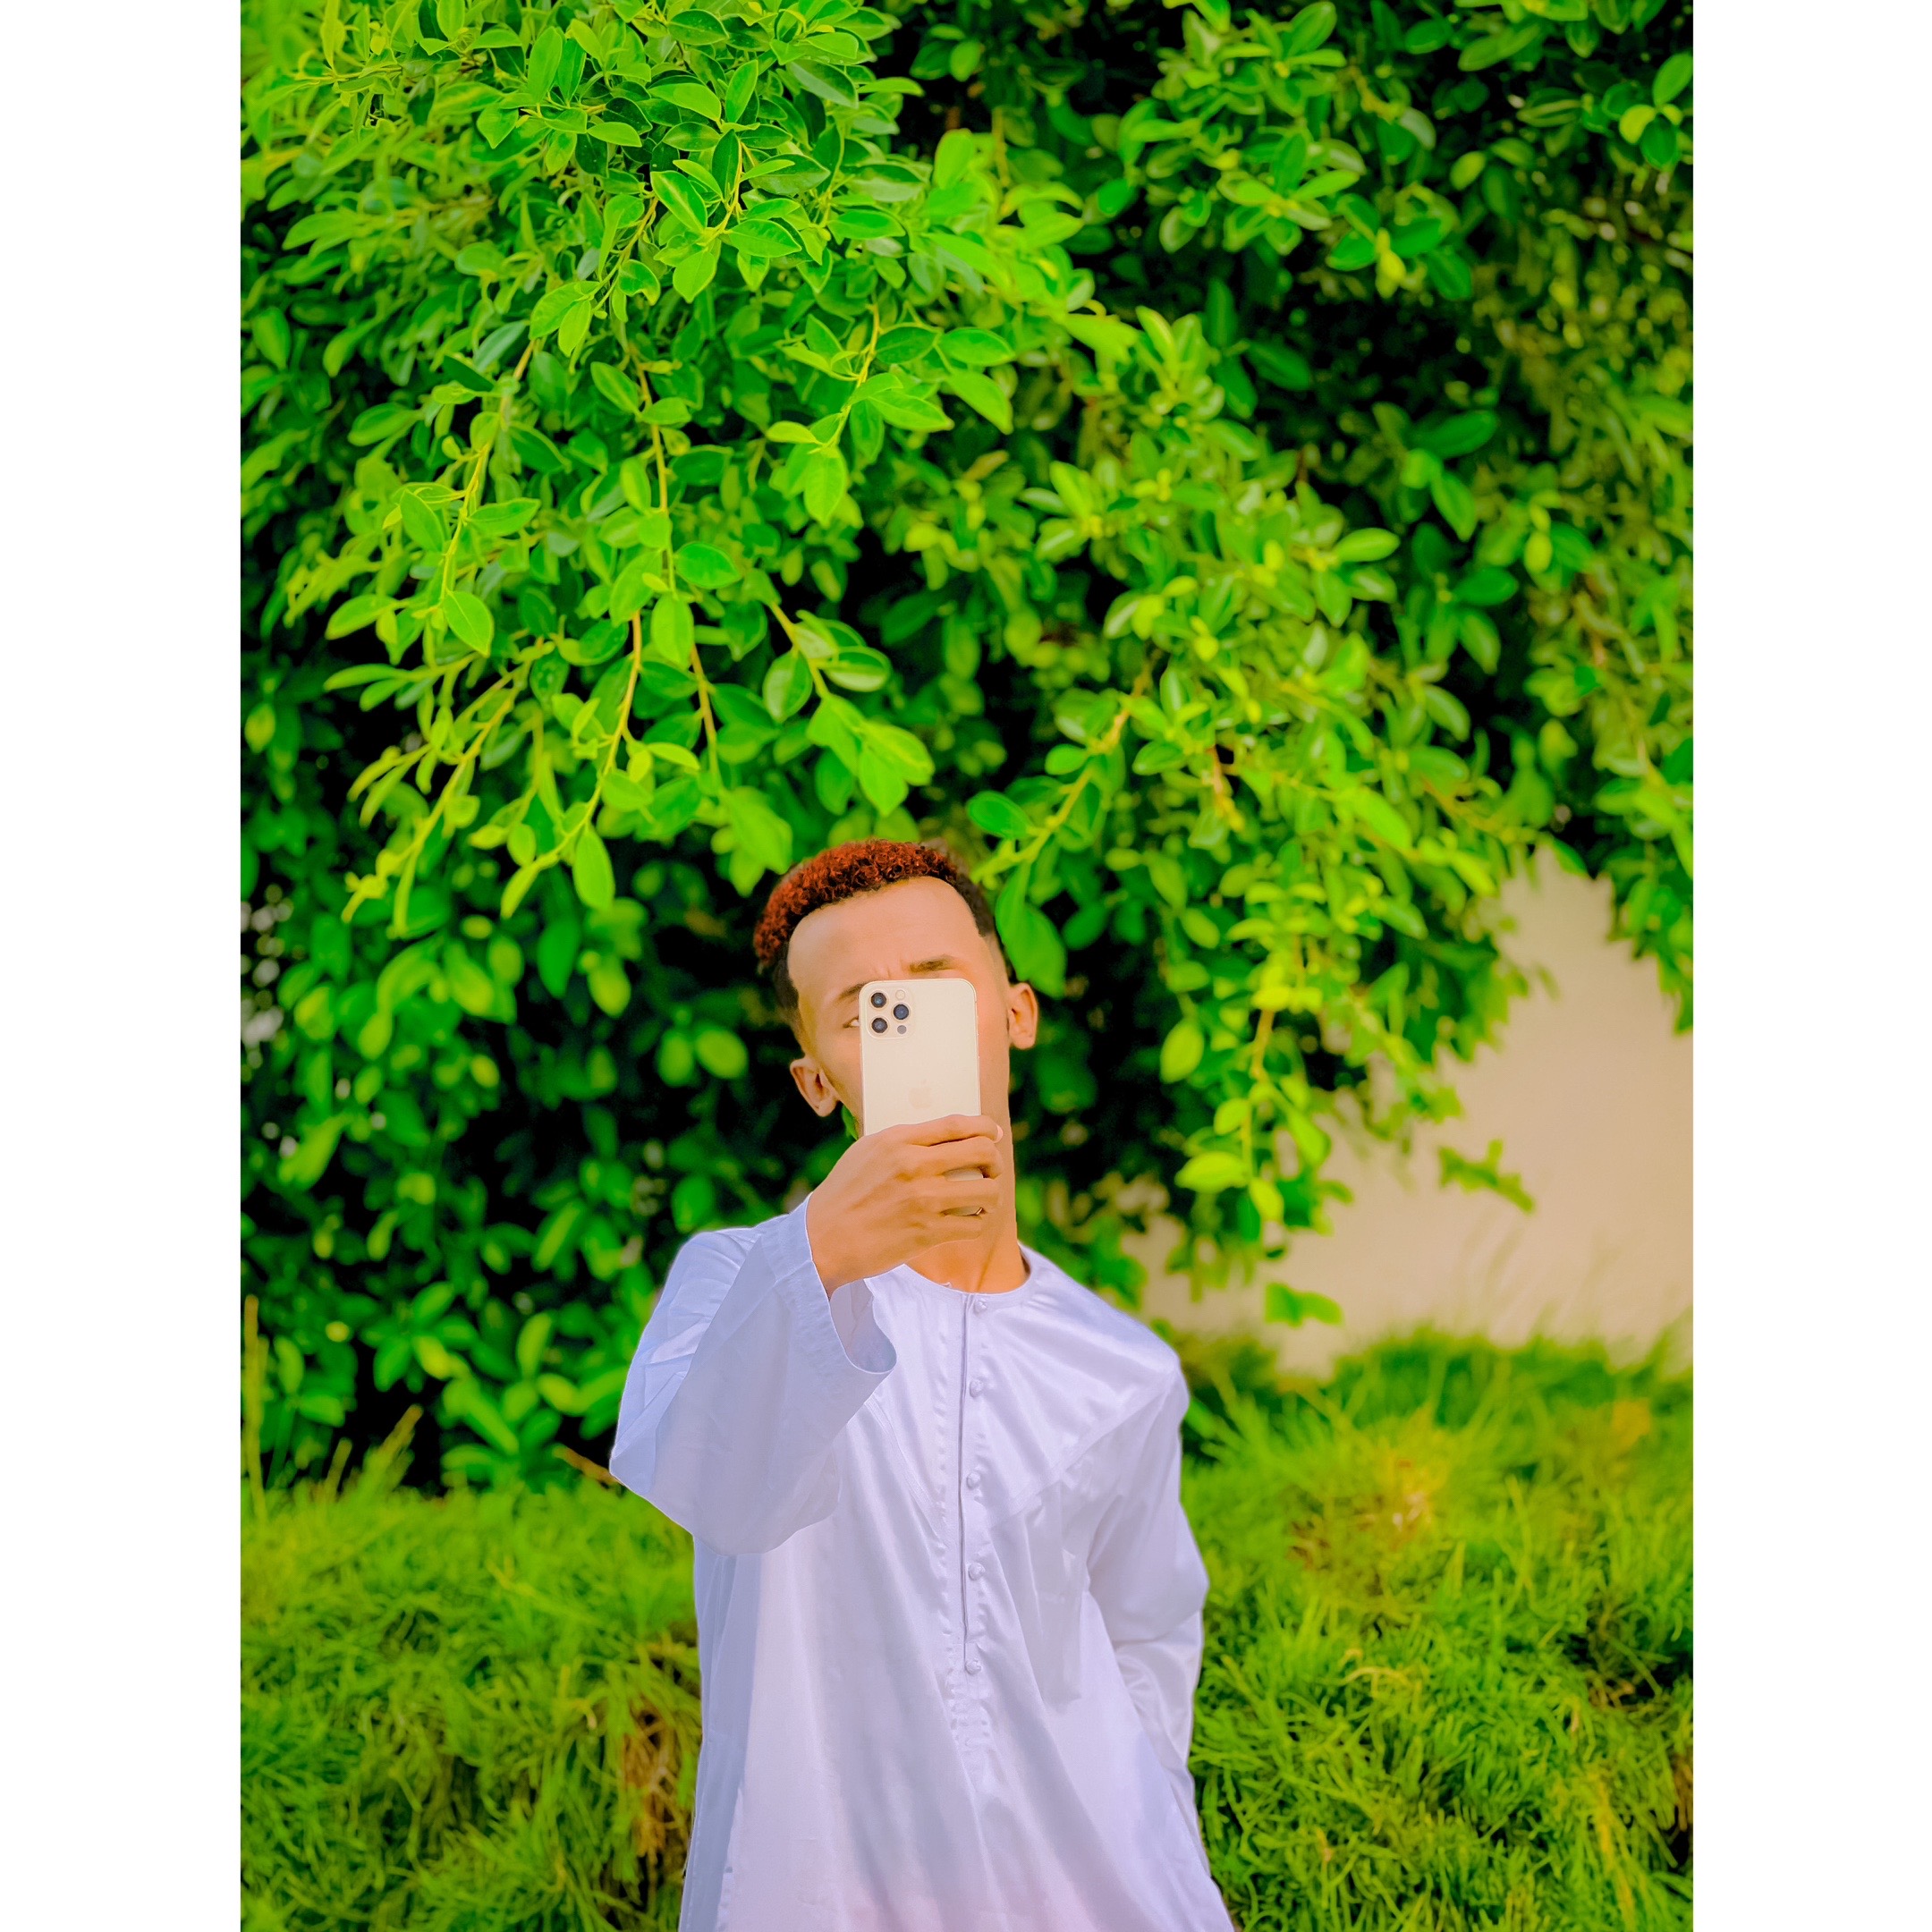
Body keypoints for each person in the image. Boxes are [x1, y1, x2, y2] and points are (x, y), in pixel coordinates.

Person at [611, 838, 1235, 1932]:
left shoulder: (1123, 1367)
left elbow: (1148, 1632)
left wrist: (1148, 1829)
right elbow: (713, 1485)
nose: (904, 1018)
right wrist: (819, 1254)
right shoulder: (736, 1284)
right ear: (818, 1079)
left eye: (937, 986)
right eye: (865, 1010)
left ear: (1015, 1014)